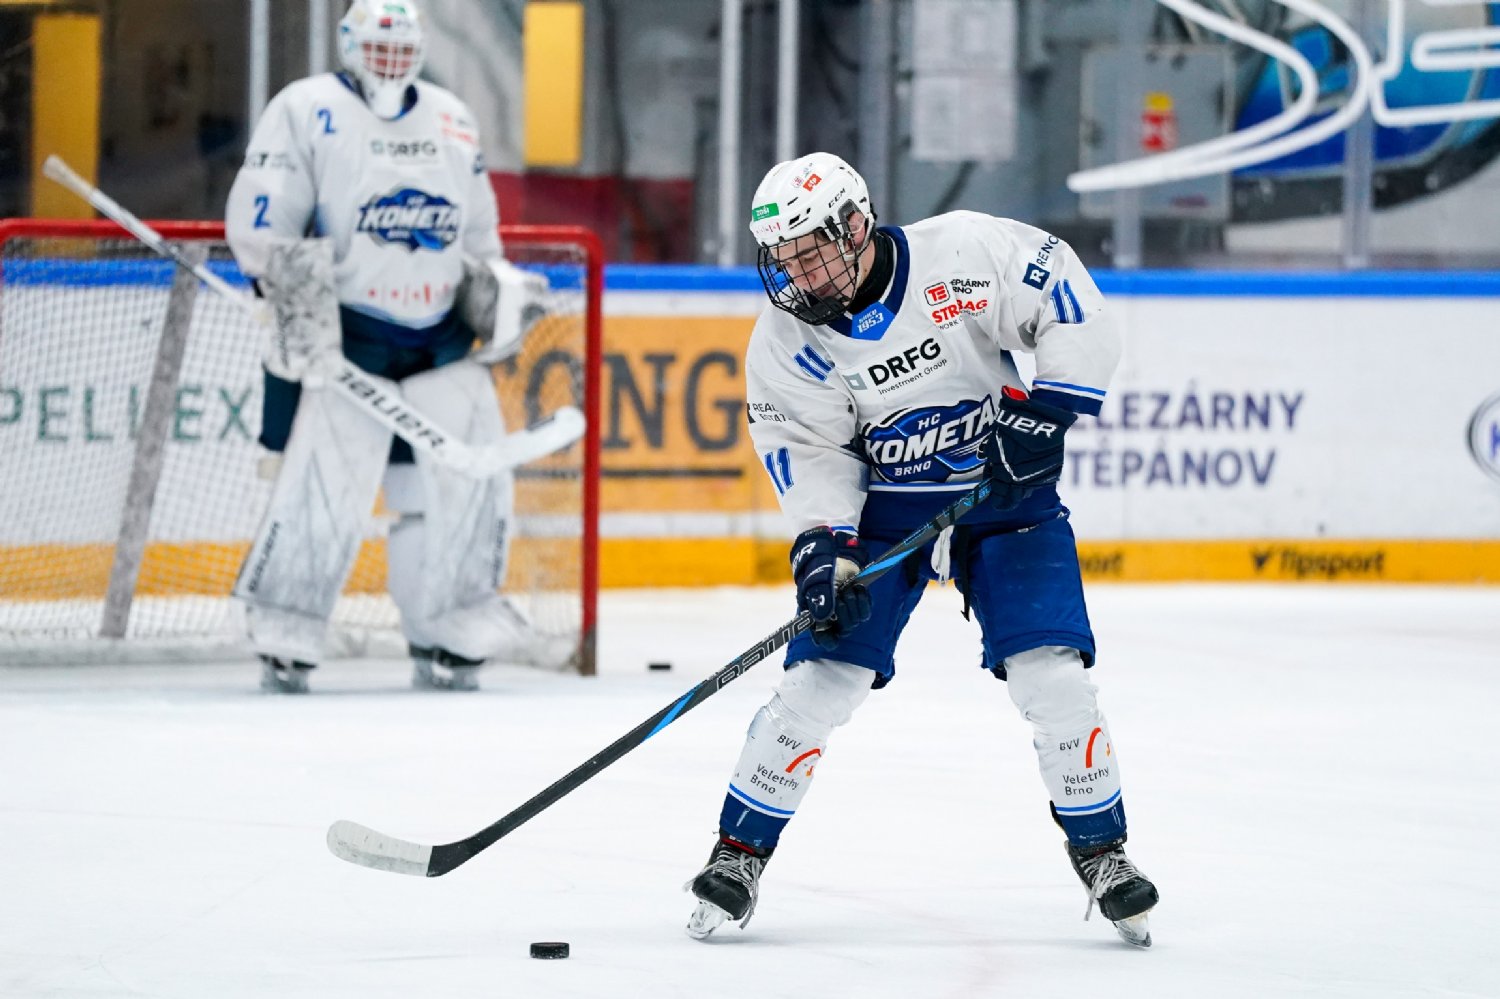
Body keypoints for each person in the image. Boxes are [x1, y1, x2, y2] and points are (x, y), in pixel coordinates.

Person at [684, 152, 1160, 947]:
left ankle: (1103, 854)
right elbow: (809, 450)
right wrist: (825, 552)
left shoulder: (963, 252)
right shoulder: (787, 340)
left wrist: (1046, 411)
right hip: (884, 515)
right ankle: (737, 854)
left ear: (855, 226)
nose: (796, 274)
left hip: (1003, 498)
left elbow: (1069, 301)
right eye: (782, 257)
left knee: (1053, 677)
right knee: (816, 683)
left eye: (810, 250)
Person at [224, 0, 568, 693]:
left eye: (401, 44)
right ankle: (286, 631)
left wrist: (495, 291)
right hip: (347, 338)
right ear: (349, 43)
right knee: (321, 491)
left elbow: (478, 235)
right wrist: (287, 287)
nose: (389, 58)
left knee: (466, 490)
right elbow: (263, 217)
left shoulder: (451, 116)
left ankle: (454, 629)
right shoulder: (307, 108)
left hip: (442, 339)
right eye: (377, 44)